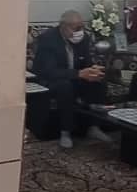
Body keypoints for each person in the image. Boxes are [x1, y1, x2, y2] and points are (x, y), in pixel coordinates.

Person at [32, 10, 112, 149]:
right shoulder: (48, 39)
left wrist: (92, 70)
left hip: (73, 76)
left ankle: (93, 127)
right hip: (49, 79)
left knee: (98, 80)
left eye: (81, 27)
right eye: (76, 28)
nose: (79, 32)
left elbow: (86, 62)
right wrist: (79, 73)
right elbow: (49, 71)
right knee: (65, 86)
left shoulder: (83, 38)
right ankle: (65, 132)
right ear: (63, 26)